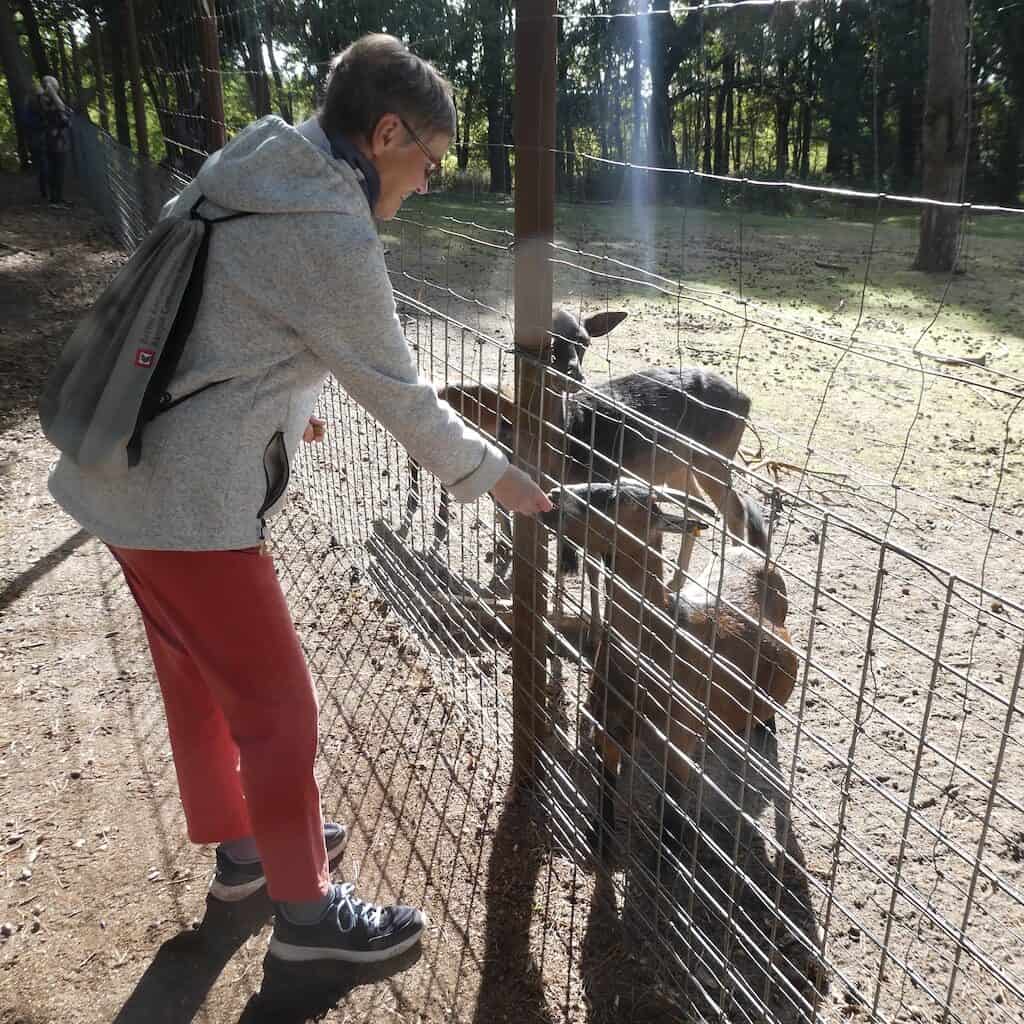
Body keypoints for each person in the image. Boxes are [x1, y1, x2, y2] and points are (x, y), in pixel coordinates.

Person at [47, 34, 550, 966]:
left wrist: (279, 406)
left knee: (201, 682)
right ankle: (310, 923)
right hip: (187, 507)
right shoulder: (328, 227)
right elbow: (400, 393)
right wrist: (497, 477)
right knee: (280, 713)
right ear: (386, 133)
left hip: (121, 475)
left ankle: (248, 854)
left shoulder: (254, 166)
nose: (428, 182)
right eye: (429, 160)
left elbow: (217, 307)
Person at [39, 76, 71, 205]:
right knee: (56, 169)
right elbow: (63, 118)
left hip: (53, 139)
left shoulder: (46, 99)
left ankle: (58, 197)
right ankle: (56, 199)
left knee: (56, 169)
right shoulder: (47, 100)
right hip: (54, 140)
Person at [19, 83, 48, 200]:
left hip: (37, 138)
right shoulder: (32, 107)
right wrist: (43, 125)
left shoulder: (31, 105)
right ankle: (45, 191)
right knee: (43, 164)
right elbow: (29, 123)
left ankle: (45, 190)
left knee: (43, 164)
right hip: (38, 138)